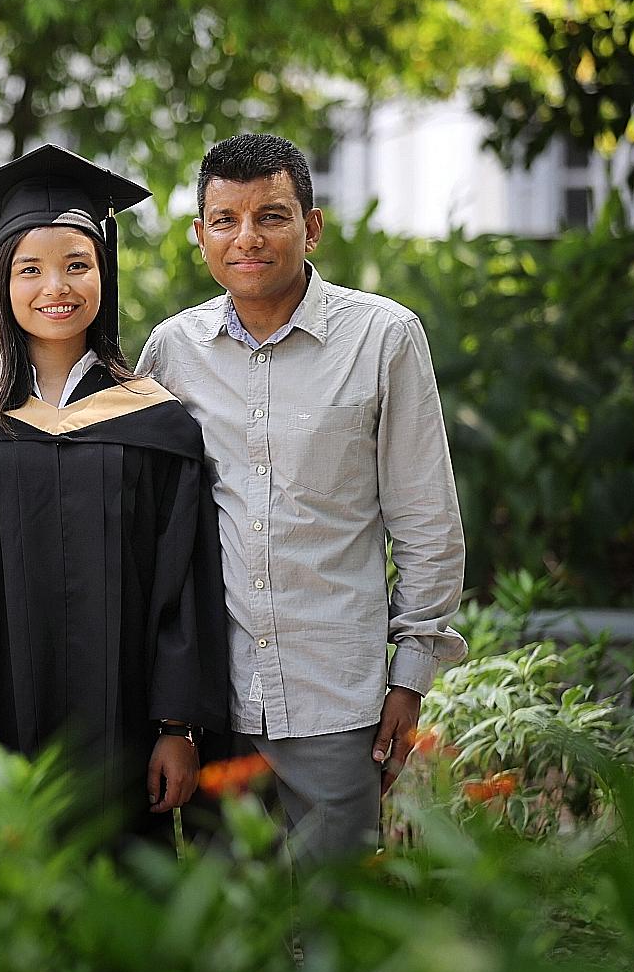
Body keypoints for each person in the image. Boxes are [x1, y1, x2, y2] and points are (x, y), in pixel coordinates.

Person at [138, 133, 466, 864]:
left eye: (272, 216)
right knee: (230, 935)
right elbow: (141, 518)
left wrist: (409, 679)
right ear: (200, 236)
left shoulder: (383, 338)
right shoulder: (172, 351)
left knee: (339, 932)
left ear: (311, 227)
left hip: (336, 701)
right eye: (224, 220)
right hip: (215, 704)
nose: (246, 238)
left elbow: (427, 523)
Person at [0, 145, 229, 852]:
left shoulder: (156, 426)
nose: (57, 287)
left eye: (78, 264)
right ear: (1, 282)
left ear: (104, 271)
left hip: (123, 738)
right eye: (30, 268)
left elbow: (182, 590)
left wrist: (176, 727)